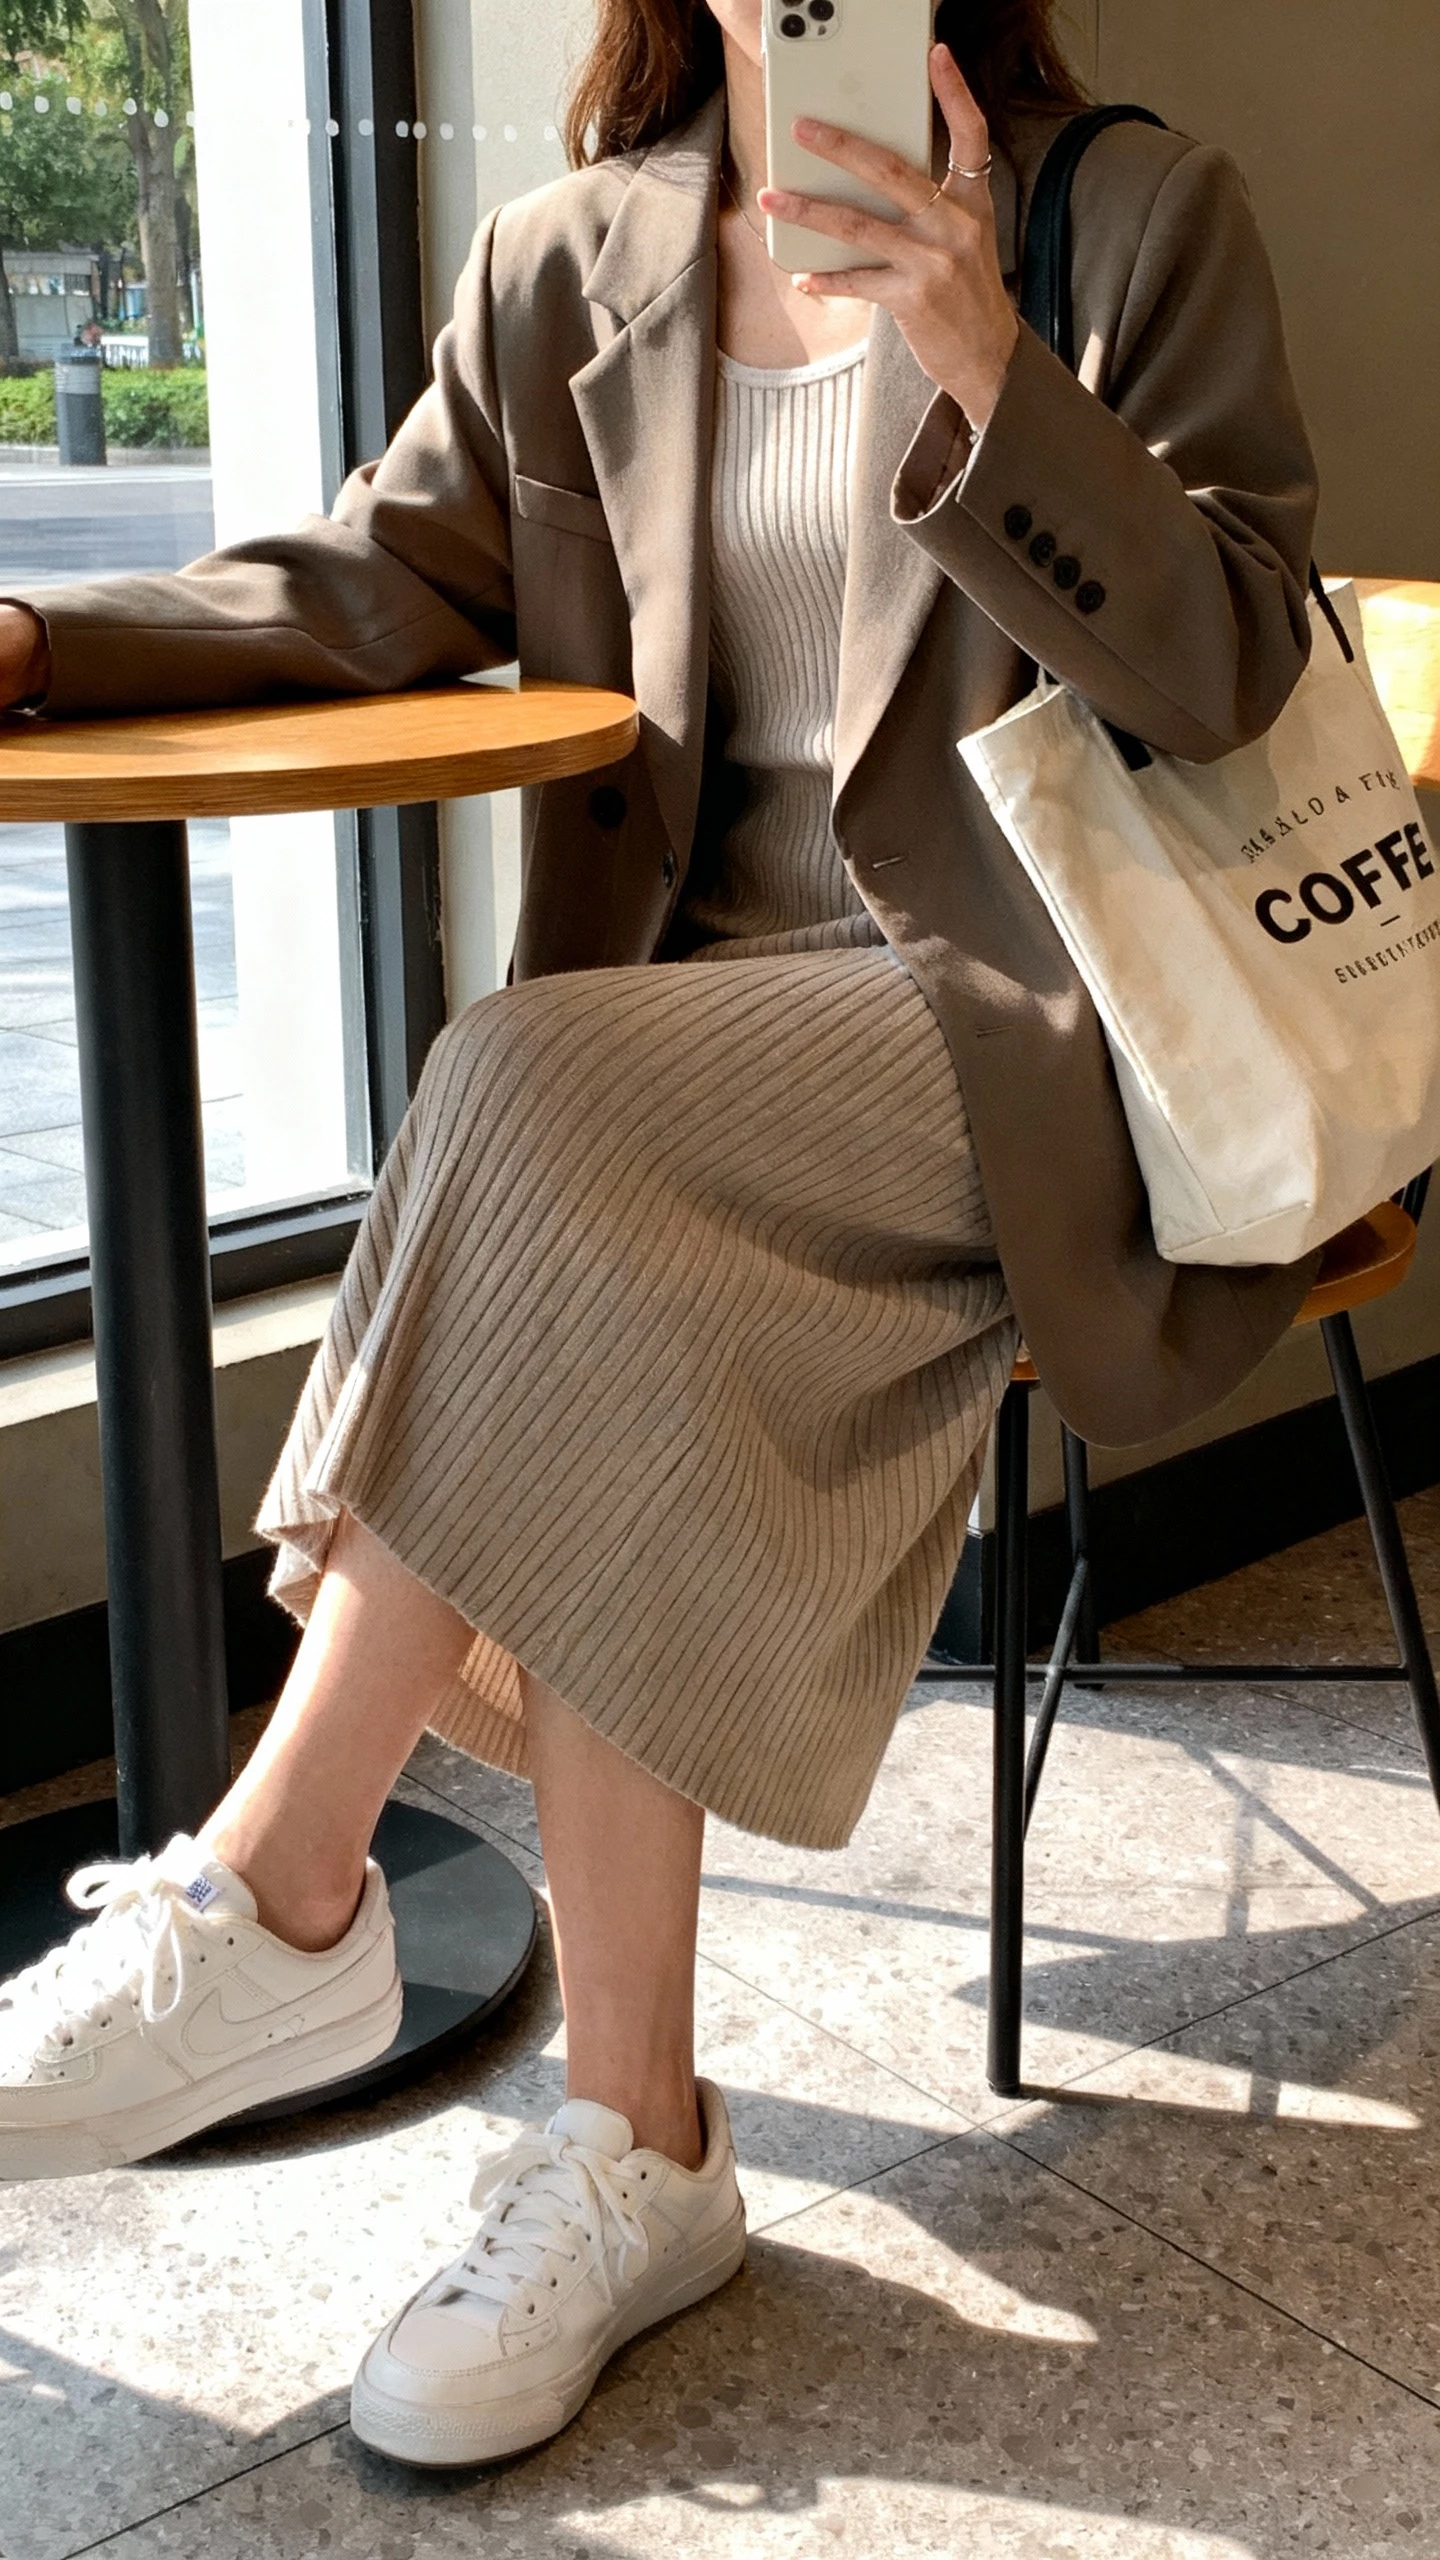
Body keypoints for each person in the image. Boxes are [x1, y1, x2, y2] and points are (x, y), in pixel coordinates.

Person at [0, 0, 1318, 2471]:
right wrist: (55, 639)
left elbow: (1241, 668)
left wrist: (984, 364)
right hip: (679, 1074)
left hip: (1020, 1036)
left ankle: (282, 1893)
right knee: (585, 1184)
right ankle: (645, 2145)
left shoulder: (1128, 218)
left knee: (525, 1095)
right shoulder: (563, 259)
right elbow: (381, 577)